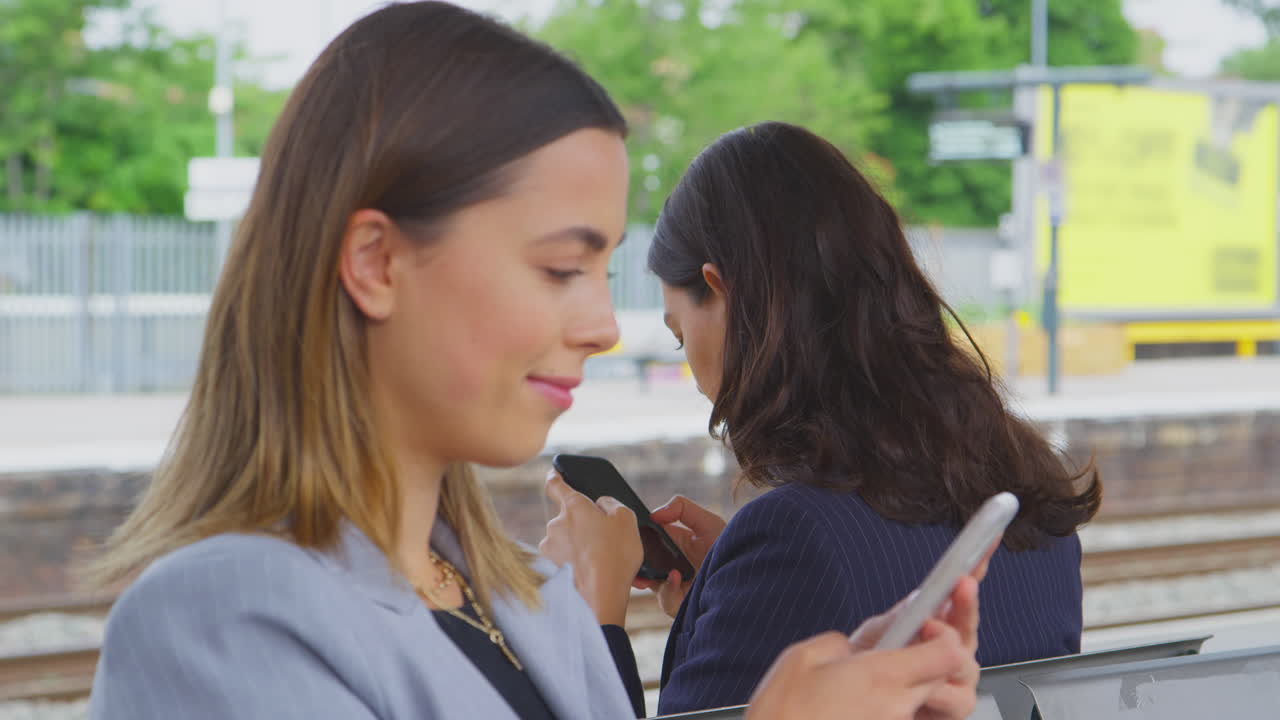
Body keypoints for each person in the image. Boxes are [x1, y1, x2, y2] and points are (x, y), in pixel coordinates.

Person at [83, 5, 980, 720]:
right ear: (375, 263)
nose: (602, 326)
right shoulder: (220, 623)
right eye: (560, 267)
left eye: (601, 269)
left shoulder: (537, 598)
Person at [540, 121, 1103, 715]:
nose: (701, 383)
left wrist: (591, 615)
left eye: (681, 337)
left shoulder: (792, 535)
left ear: (720, 290)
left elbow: (821, 571)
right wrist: (729, 591)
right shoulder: (1031, 500)